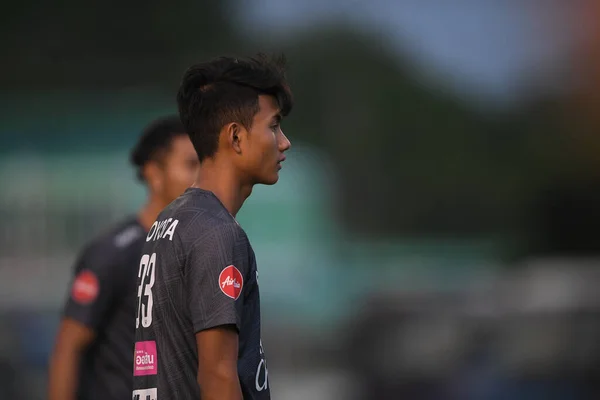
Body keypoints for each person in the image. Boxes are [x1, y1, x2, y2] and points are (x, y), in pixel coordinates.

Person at [132, 54, 293, 400]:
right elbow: (218, 375)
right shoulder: (216, 233)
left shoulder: (168, 221)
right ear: (235, 137)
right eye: (274, 126)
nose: (284, 142)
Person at [48, 116, 199, 400]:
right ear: (155, 174)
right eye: (191, 164)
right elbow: (68, 346)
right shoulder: (114, 253)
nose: (201, 176)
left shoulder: (198, 247)